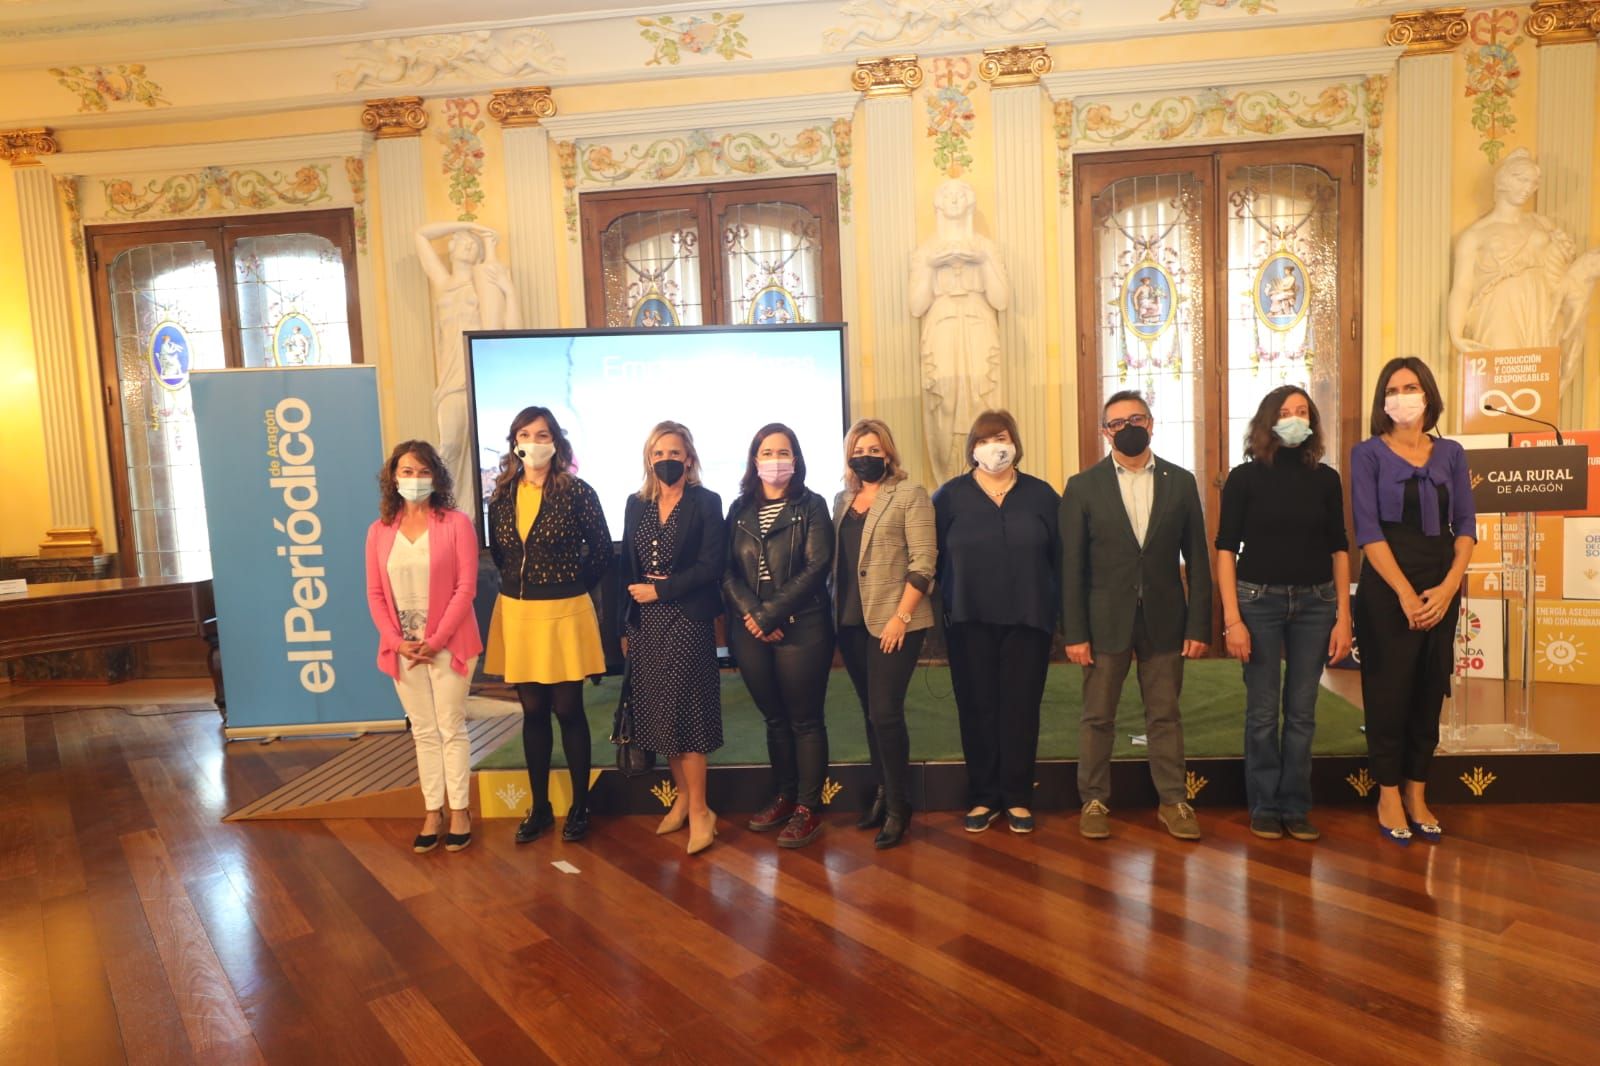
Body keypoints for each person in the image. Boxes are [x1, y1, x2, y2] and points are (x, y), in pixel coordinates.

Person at [1060, 390, 1212, 841]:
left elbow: (1198, 560)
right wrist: (1075, 632)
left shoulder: (1180, 482)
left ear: (1150, 423)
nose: (1127, 428)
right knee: (1098, 716)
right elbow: (1072, 567)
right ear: (1105, 432)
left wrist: (1199, 624)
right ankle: (1093, 799)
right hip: (1104, 621)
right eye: (1117, 422)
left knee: (1164, 715)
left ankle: (1173, 801)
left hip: (1166, 619)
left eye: (1136, 419)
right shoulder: (1082, 486)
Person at [1215, 386, 1353, 842]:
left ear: (1312, 422)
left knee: (1301, 712)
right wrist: (1232, 619)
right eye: (1285, 412)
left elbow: (1339, 549)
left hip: (1317, 604)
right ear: (1267, 422)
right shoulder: (1243, 478)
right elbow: (1224, 551)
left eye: (1302, 412)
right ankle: (1264, 804)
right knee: (1261, 712)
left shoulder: (1327, 479)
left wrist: (1343, 616)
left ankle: (1295, 805)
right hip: (1259, 603)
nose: (1294, 418)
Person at [1350, 358, 1475, 846]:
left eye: (1412, 387)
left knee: (1428, 688)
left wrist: (1447, 588)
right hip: (1387, 588)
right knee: (1388, 692)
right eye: (1395, 388)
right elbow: (1367, 529)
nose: (1404, 396)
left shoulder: (1452, 453)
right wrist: (1405, 593)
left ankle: (1417, 792)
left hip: (1442, 583)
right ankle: (1387, 793)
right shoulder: (1368, 454)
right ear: (1384, 400)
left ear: (1428, 396)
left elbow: (1465, 526)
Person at [485, 406, 613, 845]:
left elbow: (600, 552)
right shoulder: (500, 495)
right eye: (526, 434)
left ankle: (580, 806)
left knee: (568, 710)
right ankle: (539, 807)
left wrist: (569, 585)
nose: (534, 442)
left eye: (543, 434)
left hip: (563, 612)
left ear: (555, 442)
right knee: (533, 712)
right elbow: (500, 555)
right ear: (514, 442)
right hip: (518, 613)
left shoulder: (577, 492)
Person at [933, 410, 1059, 835]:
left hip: (1029, 620)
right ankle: (985, 795)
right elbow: (932, 561)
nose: (995, 446)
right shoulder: (948, 497)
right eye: (986, 439)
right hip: (968, 622)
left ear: (1015, 442)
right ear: (973, 448)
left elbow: (1060, 559)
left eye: (1002, 437)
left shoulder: (1042, 496)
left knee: (1021, 709)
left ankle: (1018, 797)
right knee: (977, 708)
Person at [363, 440, 483, 854]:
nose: (414, 479)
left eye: (421, 471)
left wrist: (435, 640)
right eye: (406, 471)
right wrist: (398, 642)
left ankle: (461, 810)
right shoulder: (379, 532)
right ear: (393, 479)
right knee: (424, 731)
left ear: (436, 477)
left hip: (449, 643)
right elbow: (375, 593)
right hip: (403, 649)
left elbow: (467, 588)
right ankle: (433, 810)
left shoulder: (456, 523)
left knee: (451, 726)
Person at [723, 423, 836, 849]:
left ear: (796, 458)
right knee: (775, 719)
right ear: (754, 460)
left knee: (805, 720)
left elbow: (817, 566)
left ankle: (808, 808)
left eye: (782, 451)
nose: (775, 459)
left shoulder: (812, 505)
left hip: (802, 624)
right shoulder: (738, 509)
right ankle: (785, 795)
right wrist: (755, 615)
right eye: (767, 452)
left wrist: (772, 613)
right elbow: (726, 570)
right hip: (750, 627)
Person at [619, 421, 726, 856]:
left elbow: (711, 566)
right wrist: (627, 624)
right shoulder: (635, 503)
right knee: (662, 717)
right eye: (659, 453)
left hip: (687, 621)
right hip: (645, 624)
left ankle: (702, 811)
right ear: (649, 458)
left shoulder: (706, 502)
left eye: (675, 453)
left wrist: (661, 589)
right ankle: (681, 798)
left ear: (690, 458)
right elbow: (626, 563)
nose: (667, 460)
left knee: (689, 718)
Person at [832, 418, 936, 850]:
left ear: (888, 454)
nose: (867, 456)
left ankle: (899, 806)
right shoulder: (843, 499)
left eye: (875, 450)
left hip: (896, 621)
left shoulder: (910, 495)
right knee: (869, 713)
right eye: (860, 449)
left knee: (886, 713)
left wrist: (902, 617)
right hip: (852, 622)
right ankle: (880, 793)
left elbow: (925, 561)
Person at [415, 222, 521, 499]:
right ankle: (446, 506)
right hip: (450, 377)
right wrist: (467, 225)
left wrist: (506, 286)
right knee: (449, 443)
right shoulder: (442, 283)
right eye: (463, 241)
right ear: (450, 248)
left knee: (481, 449)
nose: (469, 245)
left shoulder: (484, 281)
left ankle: (473, 514)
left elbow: (506, 332)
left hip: (477, 372)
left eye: (473, 244)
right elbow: (421, 235)